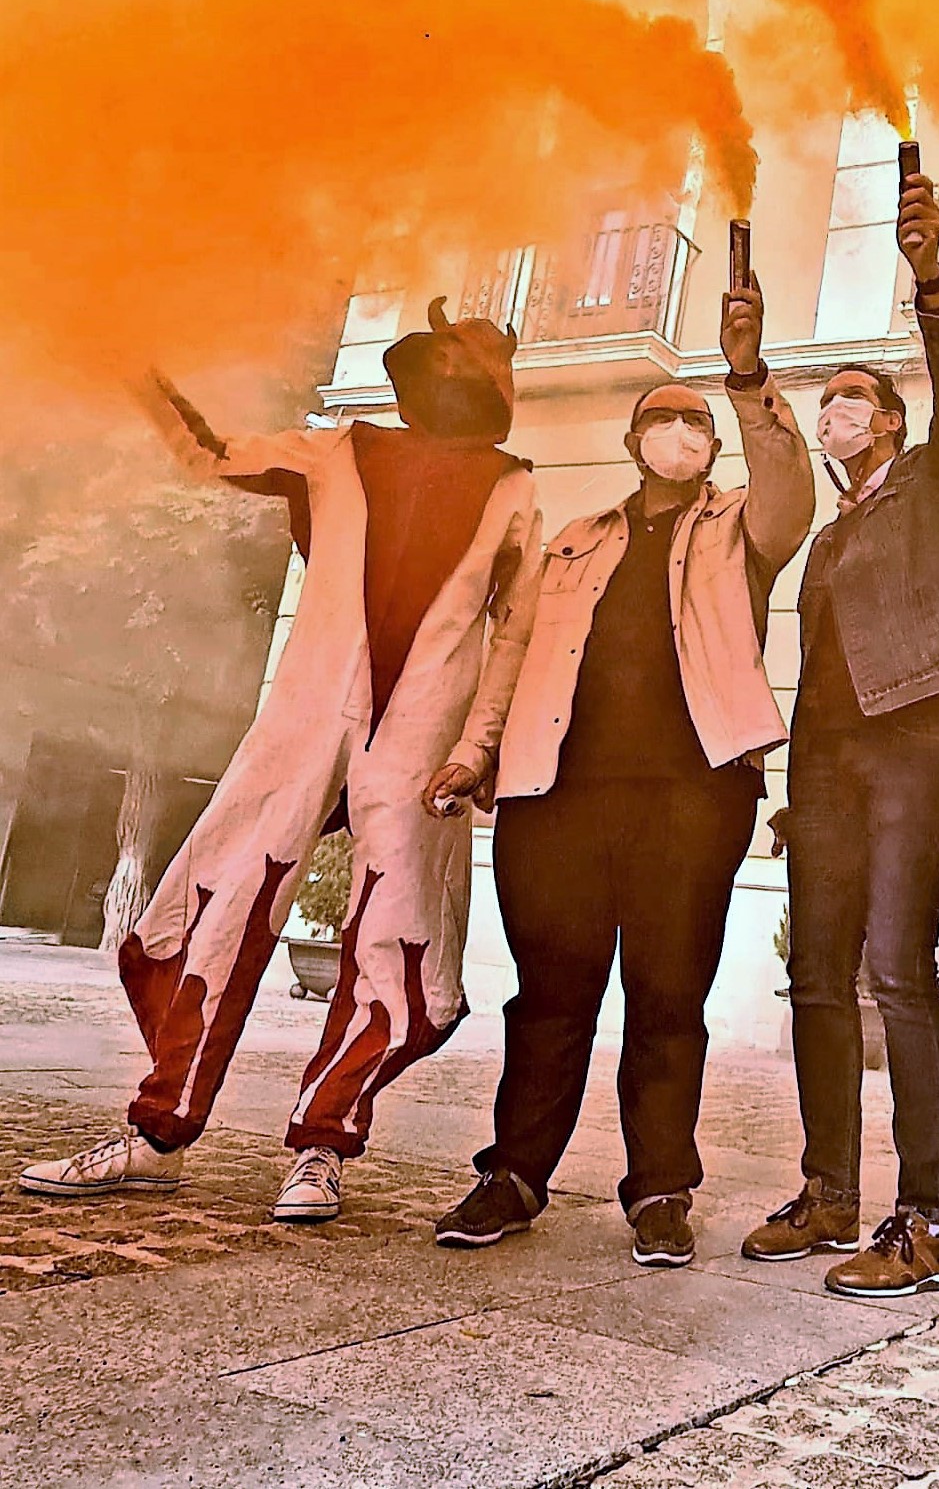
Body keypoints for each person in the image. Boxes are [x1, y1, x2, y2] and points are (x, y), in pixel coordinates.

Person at [22, 301, 541, 1222]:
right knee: (221, 897)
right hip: (305, 714)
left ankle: (322, 1144)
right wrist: (136, 362)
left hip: (422, 737)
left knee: (397, 929)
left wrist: (474, 745)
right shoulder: (339, 449)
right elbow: (209, 452)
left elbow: (516, 631)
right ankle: (159, 1131)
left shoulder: (511, 486)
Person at [433, 265, 813, 1267]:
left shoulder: (740, 529)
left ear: (713, 446)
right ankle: (514, 1175)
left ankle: (660, 1191)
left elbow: (790, 494)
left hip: (692, 797)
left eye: (695, 423)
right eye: (661, 419)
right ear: (633, 439)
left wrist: (747, 378)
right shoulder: (573, 541)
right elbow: (513, 649)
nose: (677, 433)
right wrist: (474, 751)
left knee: (667, 996)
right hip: (555, 797)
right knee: (547, 997)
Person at [740, 172, 939, 1298]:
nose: (834, 411)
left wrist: (930, 280)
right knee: (815, 972)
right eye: (829, 402)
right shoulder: (832, 532)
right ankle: (830, 1192)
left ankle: (928, 1222)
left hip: (924, 740)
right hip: (833, 765)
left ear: (888, 420)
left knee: (897, 967)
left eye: (851, 399)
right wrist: (800, 791)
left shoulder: (937, 477)